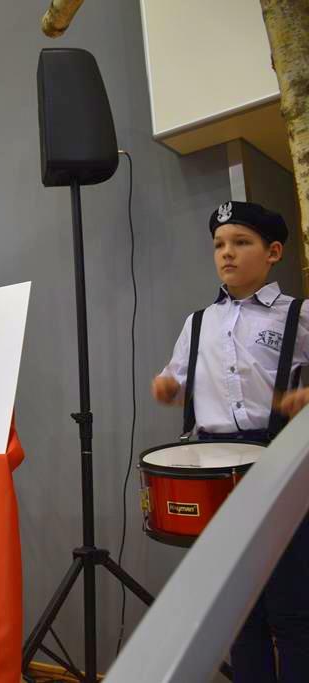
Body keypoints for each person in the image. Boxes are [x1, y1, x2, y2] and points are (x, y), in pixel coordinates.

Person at [152, 201, 309, 682]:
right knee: (238, 610)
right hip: (216, 471)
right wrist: (168, 386)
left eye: (242, 242)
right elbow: (175, 376)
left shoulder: (299, 315)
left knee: (292, 606)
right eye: (219, 244)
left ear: (273, 252)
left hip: (279, 463)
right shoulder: (198, 322)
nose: (227, 253)